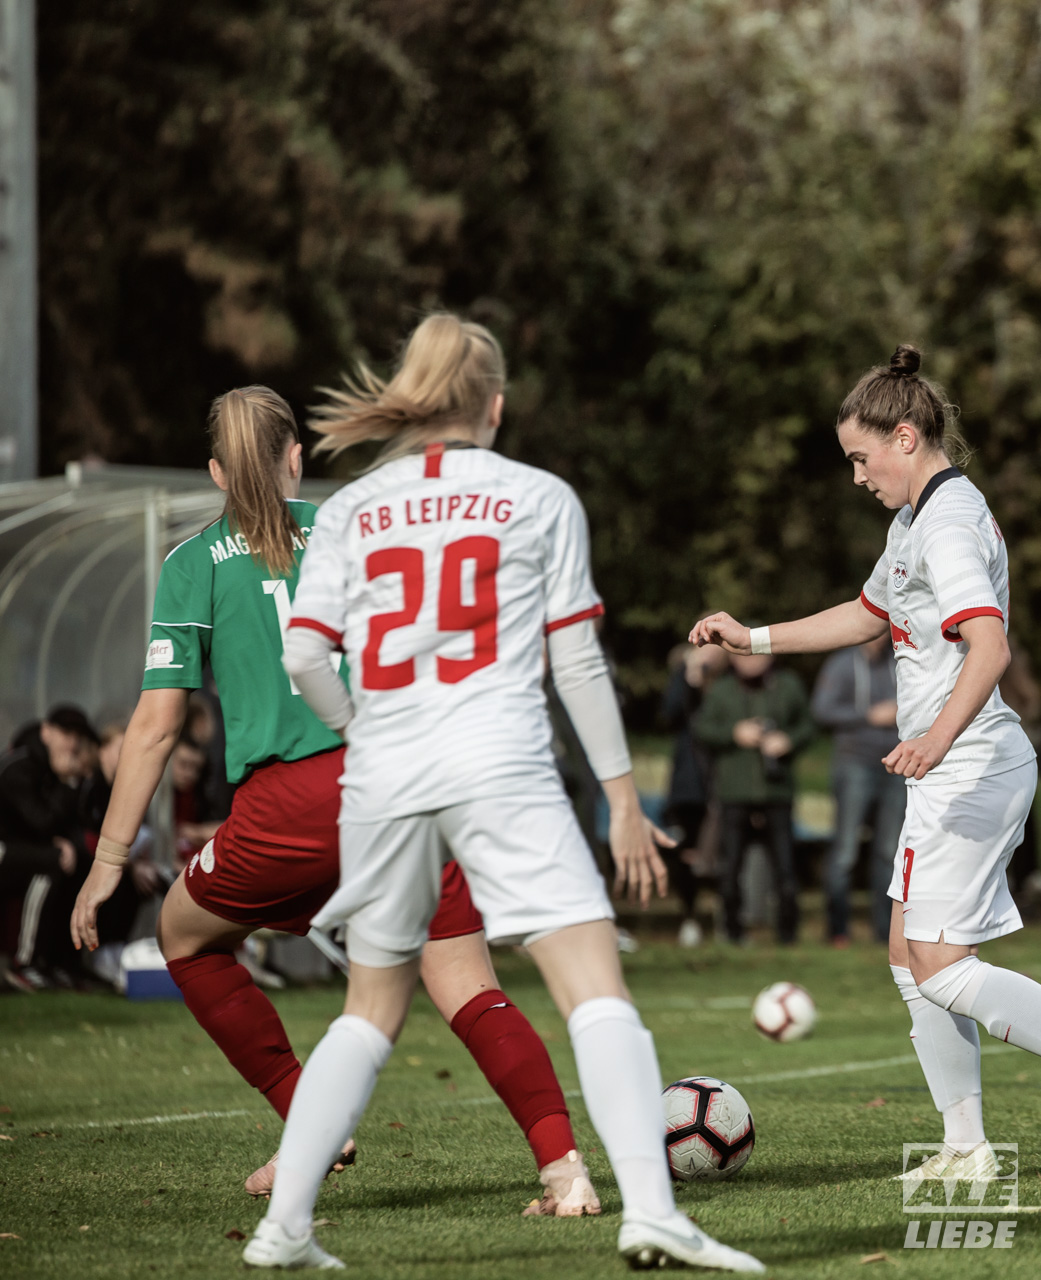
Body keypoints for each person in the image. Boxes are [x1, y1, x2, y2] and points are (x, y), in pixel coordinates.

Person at [256, 316, 760, 1271]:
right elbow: (575, 661)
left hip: (385, 773)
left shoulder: (354, 508)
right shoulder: (540, 497)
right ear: (494, 404)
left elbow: (302, 655)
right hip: (501, 761)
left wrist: (361, 729)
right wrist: (620, 800)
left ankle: (284, 1230)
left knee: (370, 1009)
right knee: (591, 987)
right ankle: (651, 1214)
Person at [67, 385, 600, 1214]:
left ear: (214, 473)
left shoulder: (189, 565)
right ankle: (563, 1171)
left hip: (287, 805)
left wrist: (107, 861)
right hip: (400, 779)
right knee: (465, 982)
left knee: (187, 938)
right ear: (296, 459)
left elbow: (154, 726)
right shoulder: (356, 526)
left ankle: (304, 1123)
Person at [690, 344, 1041, 1181]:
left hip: (972, 762)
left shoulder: (945, 525)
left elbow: (989, 646)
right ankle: (967, 1147)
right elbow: (867, 614)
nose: (858, 476)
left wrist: (935, 738)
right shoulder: (916, 518)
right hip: (950, 766)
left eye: (861, 458)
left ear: (905, 437)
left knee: (940, 963)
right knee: (910, 956)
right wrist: (752, 636)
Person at [693, 651, 814, 945]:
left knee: (786, 868)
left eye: (757, 656)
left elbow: (809, 726)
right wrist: (734, 733)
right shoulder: (721, 689)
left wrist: (788, 741)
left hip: (777, 792)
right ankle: (733, 934)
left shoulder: (788, 685)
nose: (750, 663)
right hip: (734, 792)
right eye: (743, 657)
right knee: (731, 866)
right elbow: (700, 729)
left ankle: (788, 937)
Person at [812, 634, 906, 944]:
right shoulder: (841, 665)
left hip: (897, 765)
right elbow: (822, 710)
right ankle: (838, 930)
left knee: (890, 851)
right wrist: (868, 716)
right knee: (846, 850)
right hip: (855, 764)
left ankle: (885, 932)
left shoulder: (902, 662)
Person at [1, 706, 101, 989]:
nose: (72, 743)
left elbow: (59, 826)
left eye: (77, 736)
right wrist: (66, 783)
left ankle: (47, 962)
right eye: (66, 733)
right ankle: (24, 964)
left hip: (19, 852)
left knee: (61, 865)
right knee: (53, 860)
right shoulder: (19, 765)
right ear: (46, 731)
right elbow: (40, 821)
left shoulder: (50, 770)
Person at [661, 643, 729, 946]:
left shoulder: (731, 683)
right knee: (687, 853)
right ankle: (690, 918)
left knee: (724, 854)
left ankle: (729, 922)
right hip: (690, 786)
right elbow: (668, 716)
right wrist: (689, 677)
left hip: (727, 780)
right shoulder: (684, 680)